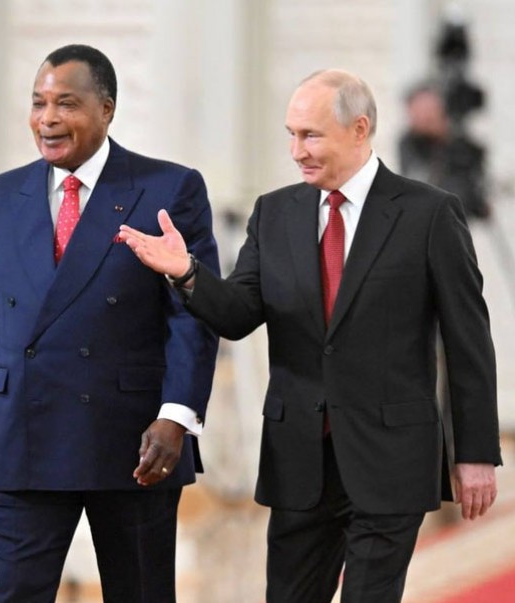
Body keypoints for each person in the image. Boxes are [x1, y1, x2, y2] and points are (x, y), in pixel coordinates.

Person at [119, 69, 501, 603]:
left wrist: (475, 453)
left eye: (310, 135)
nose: (296, 150)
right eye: (291, 134)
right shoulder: (274, 212)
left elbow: (468, 343)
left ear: (359, 129)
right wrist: (187, 272)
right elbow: (237, 315)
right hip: (300, 458)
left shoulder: (430, 213)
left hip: (391, 456)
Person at [0, 44, 219, 603]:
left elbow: (192, 317)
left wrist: (176, 416)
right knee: (17, 593)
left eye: (66, 103)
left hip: (135, 442)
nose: (47, 118)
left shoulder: (169, 189)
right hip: (24, 435)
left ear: (107, 109)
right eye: (38, 103)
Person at [398, 83, 489, 219]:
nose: (426, 117)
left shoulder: (464, 147)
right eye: (419, 112)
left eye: (430, 111)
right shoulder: (410, 144)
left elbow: (473, 195)